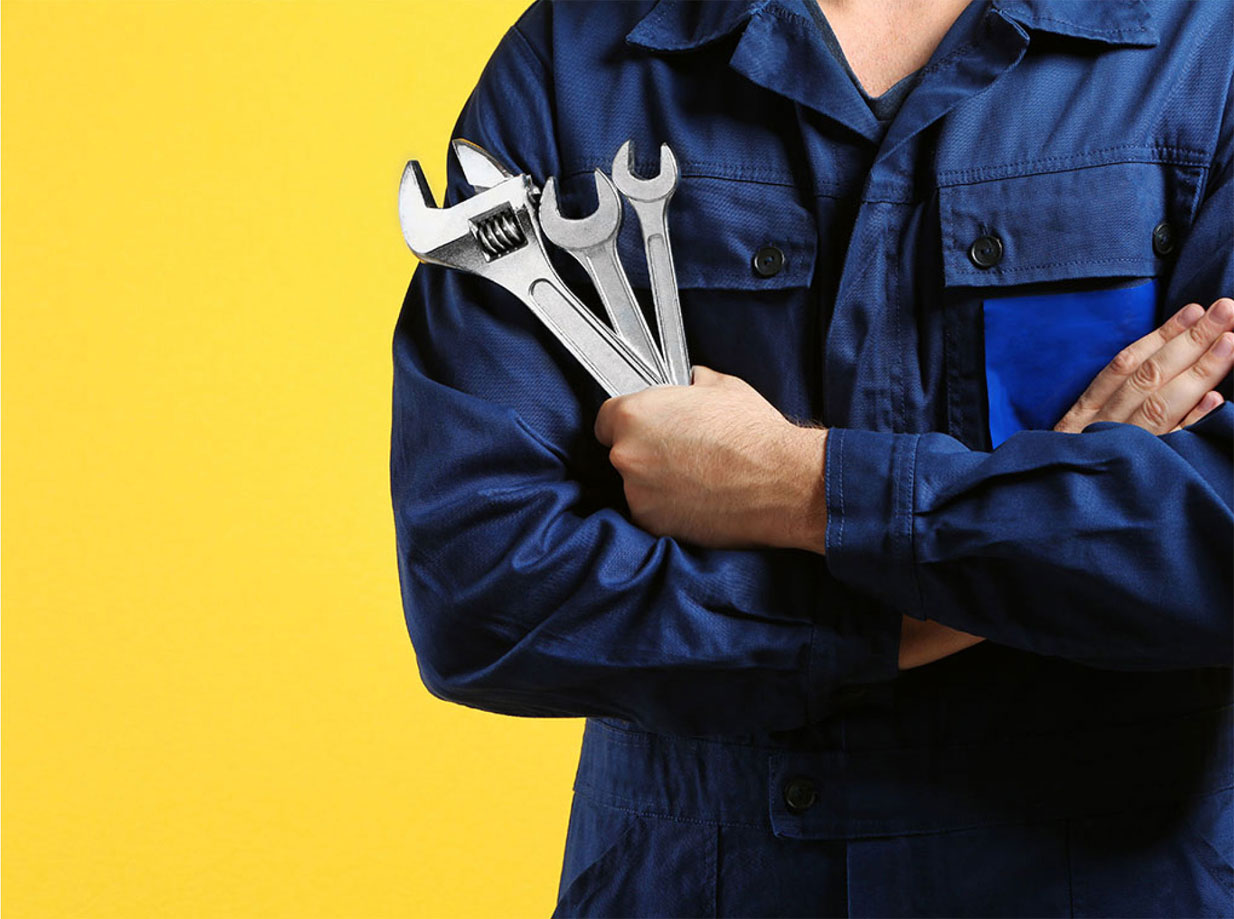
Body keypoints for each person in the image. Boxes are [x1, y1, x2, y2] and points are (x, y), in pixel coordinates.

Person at [390, 1, 1234, 915]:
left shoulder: (1208, 47)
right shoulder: (574, 60)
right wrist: (1021, 546)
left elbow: (1216, 550)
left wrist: (797, 486)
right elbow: (482, 586)